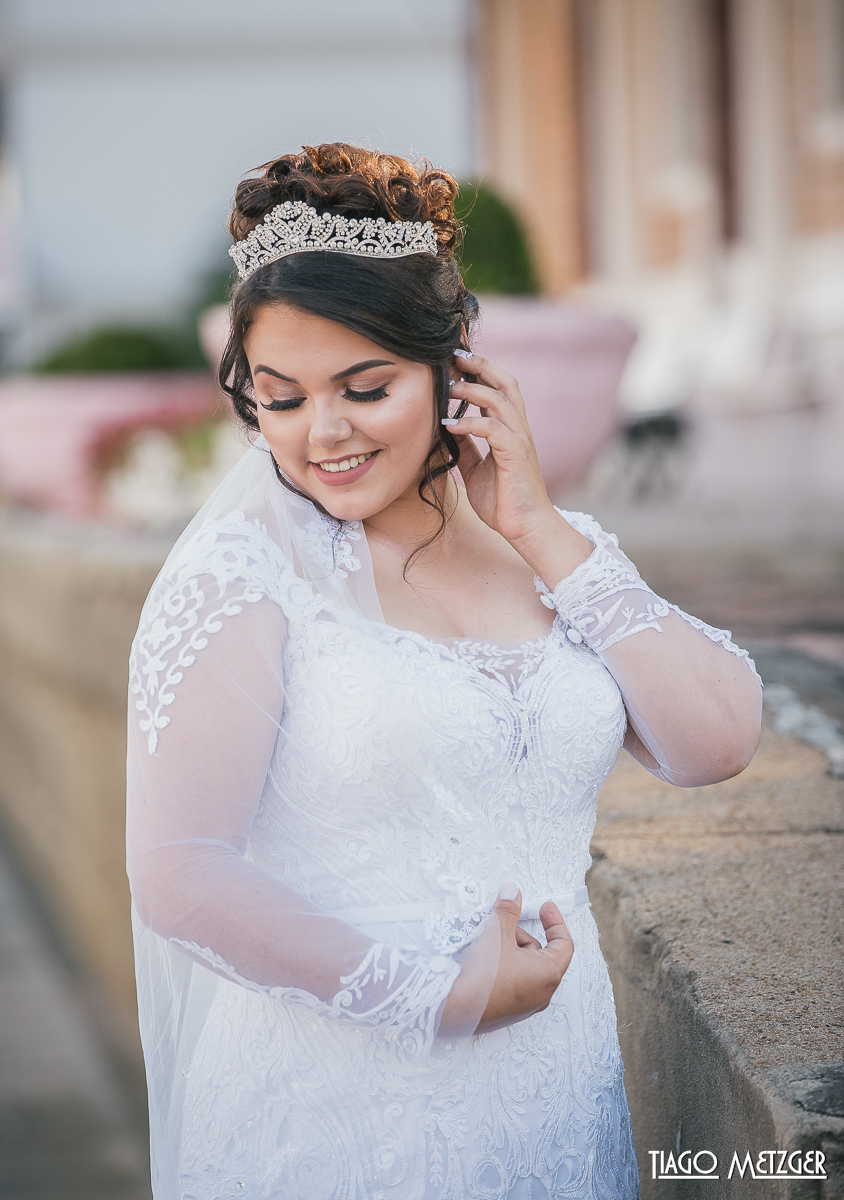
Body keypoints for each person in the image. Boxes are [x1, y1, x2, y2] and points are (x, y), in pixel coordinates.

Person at [126, 143, 762, 1200]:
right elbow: (179, 871)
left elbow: (714, 745)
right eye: (279, 400)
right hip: (334, 1118)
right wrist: (431, 998)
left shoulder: (556, 551)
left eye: (363, 387)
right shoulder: (246, 576)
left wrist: (540, 527)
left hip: (556, 1100)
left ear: (456, 361)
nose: (321, 434)